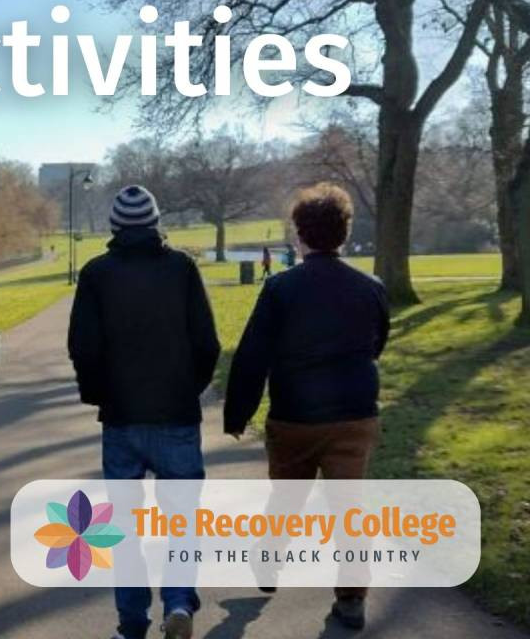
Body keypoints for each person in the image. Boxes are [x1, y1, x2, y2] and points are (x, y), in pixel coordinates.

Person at [224, 183, 389, 631]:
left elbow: (253, 355)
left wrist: (238, 412)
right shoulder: (370, 287)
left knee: (286, 497)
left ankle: (268, 560)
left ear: (300, 234)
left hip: (295, 414)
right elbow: (377, 343)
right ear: (344, 232)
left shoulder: (280, 288)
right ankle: (351, 598)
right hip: (355, 412)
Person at [67, 185, 220, 639]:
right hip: (176, 414)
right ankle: (179, 601)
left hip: (121, 418)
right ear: (155, 223)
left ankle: (132, 623)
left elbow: (82, 346)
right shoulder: (182, 268)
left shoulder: (96, 273)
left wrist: (99, 395)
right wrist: (188, 389)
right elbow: (207, 343)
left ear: (115, 227)